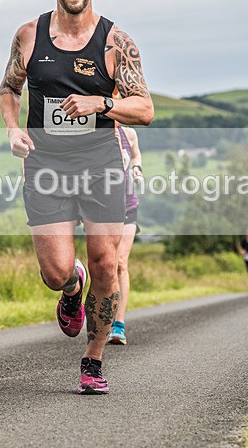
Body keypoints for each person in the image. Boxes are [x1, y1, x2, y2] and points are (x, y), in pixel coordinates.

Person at [0, 0, 154, 395]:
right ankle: (71, 287)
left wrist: (102, 102)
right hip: (45, 164)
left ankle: (94, 360)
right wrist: (12, 130)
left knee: (107, 263)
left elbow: (144, 109)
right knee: (54, 271)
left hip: (100, 162)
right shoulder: (29, 35)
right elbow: (9, 89)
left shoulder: (115, 43)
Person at [108, 125, 143, 345]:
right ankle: (101, 318)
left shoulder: (129, 133)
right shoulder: (94, 130)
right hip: (101, 208)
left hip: (128, 206)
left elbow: (136, 154)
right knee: (105, 265)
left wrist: (138, 169)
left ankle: (118, 325)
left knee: (121, 262)